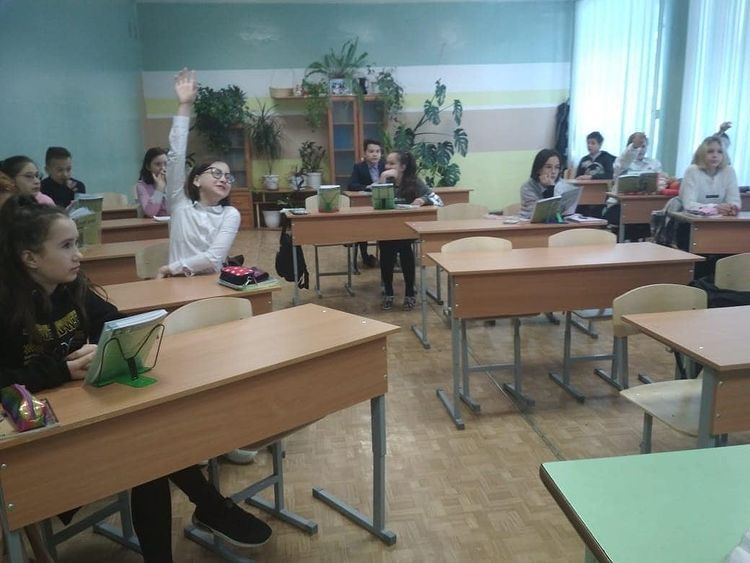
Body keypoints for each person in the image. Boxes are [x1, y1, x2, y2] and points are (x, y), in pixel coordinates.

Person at [0, 195, 272, 563]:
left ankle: (205, 510)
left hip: (80, 411)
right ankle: (210, 506)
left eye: (76, 243)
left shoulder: (70, 288)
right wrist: (60, 370)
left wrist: (105, 343)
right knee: (146, 451)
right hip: (29, 436)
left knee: (147, 449)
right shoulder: (6, 306)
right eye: (66, 246)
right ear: (30, 258)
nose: (78, 255)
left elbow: (114, 321)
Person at [155, 69, 254, 464]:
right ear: (195, 180)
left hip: (213, 291)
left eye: (229, 176)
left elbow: (214, 260)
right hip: (175, 296)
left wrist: (172, 267)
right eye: (216, 173)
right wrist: (184, 105)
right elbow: (176, 154)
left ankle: (226, 439)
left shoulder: (230, 215)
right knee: (182, 369)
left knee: (223, 367)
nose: (225, 179)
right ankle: (193, 443)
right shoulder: (178, 204)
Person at [377, 150, 440, 311]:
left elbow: (438, 200)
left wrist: (423, 199)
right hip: (386, 228)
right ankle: (388, 292)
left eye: (392, 163)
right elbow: (377, 203)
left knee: (405, 249)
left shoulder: (414, 182)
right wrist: (382, 179)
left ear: (403, 166)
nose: (387, 166)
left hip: (406, 229)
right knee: (386, 252)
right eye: (387, 163)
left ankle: (410, 292)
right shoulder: (386, 181)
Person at [604, 132, 666, 239]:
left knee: (654, 215)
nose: (641, 150)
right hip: (621, 204)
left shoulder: (654, 164)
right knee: (630, 220)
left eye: (643, 146)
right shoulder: (622, 161)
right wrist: (634, 147)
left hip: (646, 204)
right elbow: (624, 160)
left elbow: (660, 183)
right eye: (638, 147)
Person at [679, 135, 740, 215]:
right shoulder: (692, 170)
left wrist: (731, 208)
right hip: (692, 219)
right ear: (702, 154)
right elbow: (688, 204)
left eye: (720, 152)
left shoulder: (729, 171)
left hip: (721, 218)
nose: (715, 155)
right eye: (710, 151)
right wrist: (715, 207)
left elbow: (735, 201)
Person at [347, 138, 384, 268]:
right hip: (365, 205)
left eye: (378, 151)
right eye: (371, 151)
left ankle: (388, 256)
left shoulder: (386, 166)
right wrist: (368, 187)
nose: (375, 154)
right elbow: (351, 185)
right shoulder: (359, 167)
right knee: (362, 227)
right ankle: (364, 256)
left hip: (383, 205)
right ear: (365, 153)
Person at [518, 149, 573, 219]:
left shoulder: (563, 184)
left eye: (557, 167)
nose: (553, 171)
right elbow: (543, 214)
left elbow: (565, 212)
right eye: (548, 167)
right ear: (538, 169)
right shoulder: (528, 187)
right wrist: (550, 188)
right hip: (530, 223)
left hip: (556, 223)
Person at [135, 147, 169, 217]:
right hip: (156, 223)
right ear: (148, 167)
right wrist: (159, 188)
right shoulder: (142, 186)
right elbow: (150, 212)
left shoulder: (174, 183)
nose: (163, 168)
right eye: (158, 164)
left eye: (166, 164)